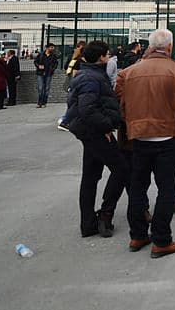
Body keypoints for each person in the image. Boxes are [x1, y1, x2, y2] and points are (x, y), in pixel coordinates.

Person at [115, 29, 175, 258]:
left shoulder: (128, 72)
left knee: (137, 188)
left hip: (138, 138)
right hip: (169, 136)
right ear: (169, 47)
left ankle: (137, 234)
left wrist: (132, 127)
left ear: (149, 46)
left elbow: (122, 105)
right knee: (166, 189)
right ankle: (161, 240)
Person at [64, 40, 129, 237]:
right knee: (122, 168)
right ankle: (104, 213)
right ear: (101, 57)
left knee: (90, 176)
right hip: (95, 133)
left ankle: (88, 223)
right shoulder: (90, 78)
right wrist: (107, 126)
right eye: (107, 55)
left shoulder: (88, 74)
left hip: (88, 132)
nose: (109, 58)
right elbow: (87, 109)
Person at [34, 43, 59, 107]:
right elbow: (35, 61)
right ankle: (40, 102)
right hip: (40, 73)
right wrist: (38, 66)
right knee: (40, 87)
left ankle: (44, 102)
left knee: (47, 88)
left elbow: (56, 63)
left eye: (53, 47)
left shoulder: (53, 56)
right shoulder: (41, 54)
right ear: (47, 48)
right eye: (51, 47)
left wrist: (52, 69)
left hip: (49, 73)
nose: (52, 49)